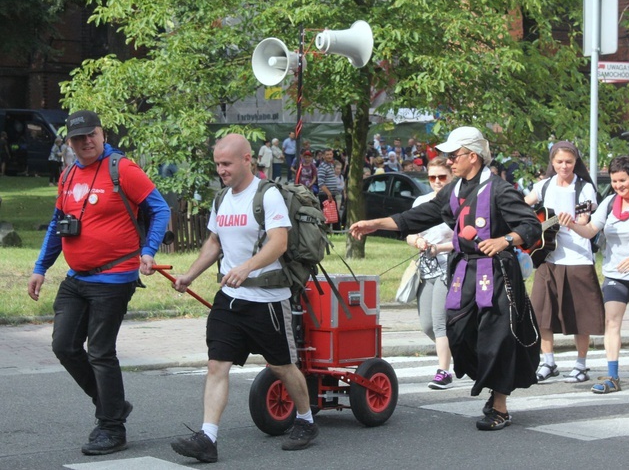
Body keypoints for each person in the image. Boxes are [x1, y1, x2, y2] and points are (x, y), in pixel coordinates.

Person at [350, 126, 541, 431]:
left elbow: (531, 225)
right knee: (459, 333)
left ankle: (499, 405)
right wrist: (375, 224)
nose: (449, 161)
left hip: (497, 274)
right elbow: (418, 216)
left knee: (497, 338)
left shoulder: (500, 190)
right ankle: (490, 381)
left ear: (473, 157)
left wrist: (505, 240)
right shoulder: (452, 191)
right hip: (463, 271)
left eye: (455, 155)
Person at [26, 110, 170, 455]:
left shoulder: (122, 169)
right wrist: (40, 267)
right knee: (64, 346)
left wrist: (148, 251)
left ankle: (111, 427)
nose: (85, 142)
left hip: (114, 276)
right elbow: (57, 224)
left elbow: (160, 208)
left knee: (101, 352)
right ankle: (113, 405)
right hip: (76, 278)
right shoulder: (69, 174)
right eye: (78, 138)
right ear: (70, 143)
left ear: (102, 134)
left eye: (90, 135)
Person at [170, 134, 319, 463]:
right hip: (230, 298)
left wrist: (247, 267)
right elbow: (213, 242)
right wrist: (190, 275)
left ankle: (306, 421)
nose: (221, 170)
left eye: (226, 163)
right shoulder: (221, 198)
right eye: (217, 164)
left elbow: (279, 243)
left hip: (267, 300)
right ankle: (207, 438)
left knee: (282, 367)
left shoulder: (268, 196)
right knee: (216, 365)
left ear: (246, 160)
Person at [558, 155, 629, 393]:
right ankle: (612, 377)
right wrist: (570, 224)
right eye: (614, 181)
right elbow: (590, 230)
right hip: (615, 273)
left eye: (623, 180)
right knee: (612, 322)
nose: (619, 186)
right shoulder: (610, 202)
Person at [524, 141, 604, 383]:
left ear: (576, 162)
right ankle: (548, 362)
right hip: (547, 256)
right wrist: (536, 226)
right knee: (541, 311)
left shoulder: (584, 189)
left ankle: (581, 364)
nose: (564, 166)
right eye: (559, 162)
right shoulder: (543, 186)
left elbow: (585, 219)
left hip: (577, 257)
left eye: (569, 162)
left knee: (580, 314)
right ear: (552, 162)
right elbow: (522, 207)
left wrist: (572, 221)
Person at [405, 157, 455, 389]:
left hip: (449, 266)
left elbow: (464, 240)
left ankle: (443, 371)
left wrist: (439, 247)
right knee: (426, 325)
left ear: (451, 176)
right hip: (426, 268)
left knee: (439, 322)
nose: (436, 181)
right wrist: (416, 240)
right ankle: (459, 352)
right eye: (432, 177)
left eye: (442, 177)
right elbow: (408, 232)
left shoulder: (459, 202)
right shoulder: (422, 201)